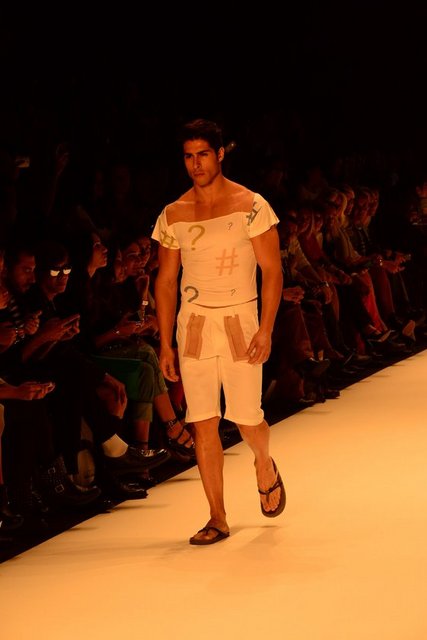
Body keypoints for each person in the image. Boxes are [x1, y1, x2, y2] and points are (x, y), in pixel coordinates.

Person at [152, 118, 286, 545]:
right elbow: (165, 282)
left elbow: (272, 270)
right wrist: (165, 342)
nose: (196, 164)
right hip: (193, 324)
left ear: (220, 154)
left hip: (239, 320)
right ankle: (217, 516)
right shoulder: (173, 213)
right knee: (202, 421)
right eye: (189, 156)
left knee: (247, 418)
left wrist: (266, 328)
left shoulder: (251, 205)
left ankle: (263, 462)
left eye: (203, 154)